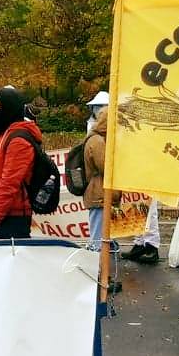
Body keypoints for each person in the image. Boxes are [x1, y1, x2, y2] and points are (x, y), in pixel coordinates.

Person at [0, 86, 42, 240]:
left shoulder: (18, 140)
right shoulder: (2, 134)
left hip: (13, 216)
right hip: (1, 213)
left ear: (9, 108)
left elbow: (9, 183)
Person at [81, 92, 114, 256]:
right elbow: (105, 167)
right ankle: (97, 268)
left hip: (97, 192)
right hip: (97, 192)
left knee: (100, 231)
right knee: (97, 237)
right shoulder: (98, 141)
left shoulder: (94, 137)